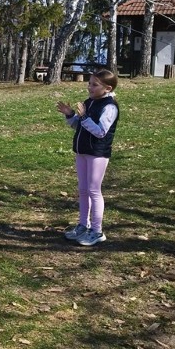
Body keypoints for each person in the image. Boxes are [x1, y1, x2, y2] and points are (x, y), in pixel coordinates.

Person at [56, 69, 120, 247]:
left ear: (107, 88)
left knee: (93, 190)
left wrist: (83, 116)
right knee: (83, 190)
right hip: (82, 151)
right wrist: (70, 115)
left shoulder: (109, 107)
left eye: (94, 84)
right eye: (89, 83)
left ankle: (97, 231)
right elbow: (79, 125)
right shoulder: (89, 102)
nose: (89, 87)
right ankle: (83, 225)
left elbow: (100, 132)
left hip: (97, 153)